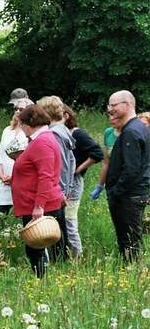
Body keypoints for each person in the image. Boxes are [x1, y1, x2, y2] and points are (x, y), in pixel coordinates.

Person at [11, 104, 64, 278]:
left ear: (30, 123)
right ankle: (43, 280)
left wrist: (39, 205)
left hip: (39, 205)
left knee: (36, 247)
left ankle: (42, 281)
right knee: (36, 247)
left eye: (22, 124)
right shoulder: (41, 140)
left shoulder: (43, 141)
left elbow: (46, 176)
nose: (22, 129)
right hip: (34, 203)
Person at [105, 91, 150, 262]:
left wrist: (116, 191)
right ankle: (134, 272)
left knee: (129, 241)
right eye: (110, 105)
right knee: (132, 239)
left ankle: (134, 274)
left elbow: (132, 169)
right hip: (133, 194)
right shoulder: (137, 127)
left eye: (114, 105)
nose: (111, 110)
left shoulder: (131, 131)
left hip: (128, 196)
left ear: (128, 105)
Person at [36, 96, 75, 261]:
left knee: (54, 229)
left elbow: (58, 165)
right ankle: (63, 261)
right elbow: (71, 162)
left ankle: (59, 262)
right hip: (61, 188)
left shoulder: (53, 134)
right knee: (60, 227)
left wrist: (61, 190)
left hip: (54, 190)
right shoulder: (64, 130)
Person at [62, 105, 103, 257]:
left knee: (70, 221)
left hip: (74, 183)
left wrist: (78, 169)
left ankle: (76, 257)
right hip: (63, 183)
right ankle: (63, 255)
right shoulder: (61, 134)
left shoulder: (77, 134)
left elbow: (97, 152)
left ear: (65, 115)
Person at [0, 97, 34, 217]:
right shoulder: (7, 130)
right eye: (16, 109)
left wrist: (15, 177)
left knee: (22, 217)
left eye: (21, 109)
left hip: (21, 180)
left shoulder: (29, 132)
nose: (17, 112)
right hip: (5, 180)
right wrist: (1, 175)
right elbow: (0, 154)